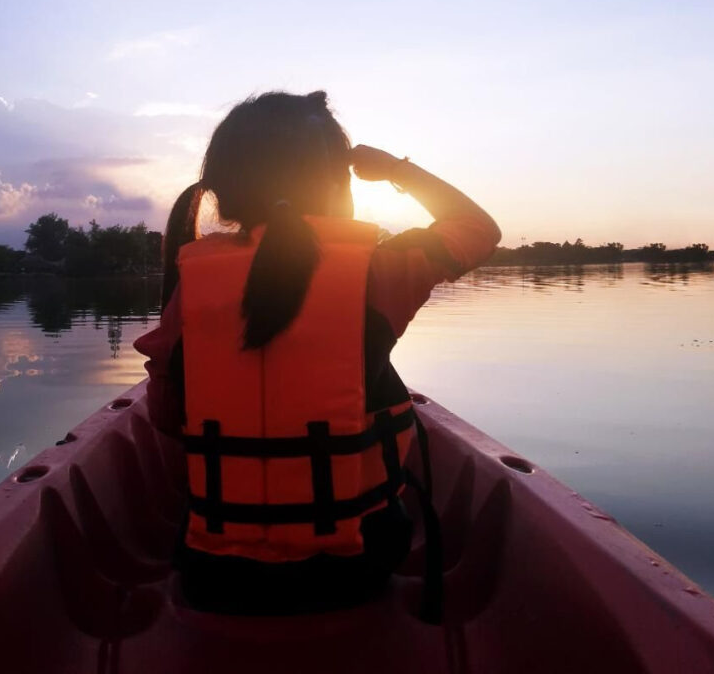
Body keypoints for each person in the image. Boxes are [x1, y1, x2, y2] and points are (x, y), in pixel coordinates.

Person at [134, 90, 500, 615]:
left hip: (215, 576)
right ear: (336, 184)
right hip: (355, 570)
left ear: (223, 188)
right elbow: (479, 231)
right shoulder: (379, 273)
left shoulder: (192, 288)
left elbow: (168, 420)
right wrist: (398, 170)